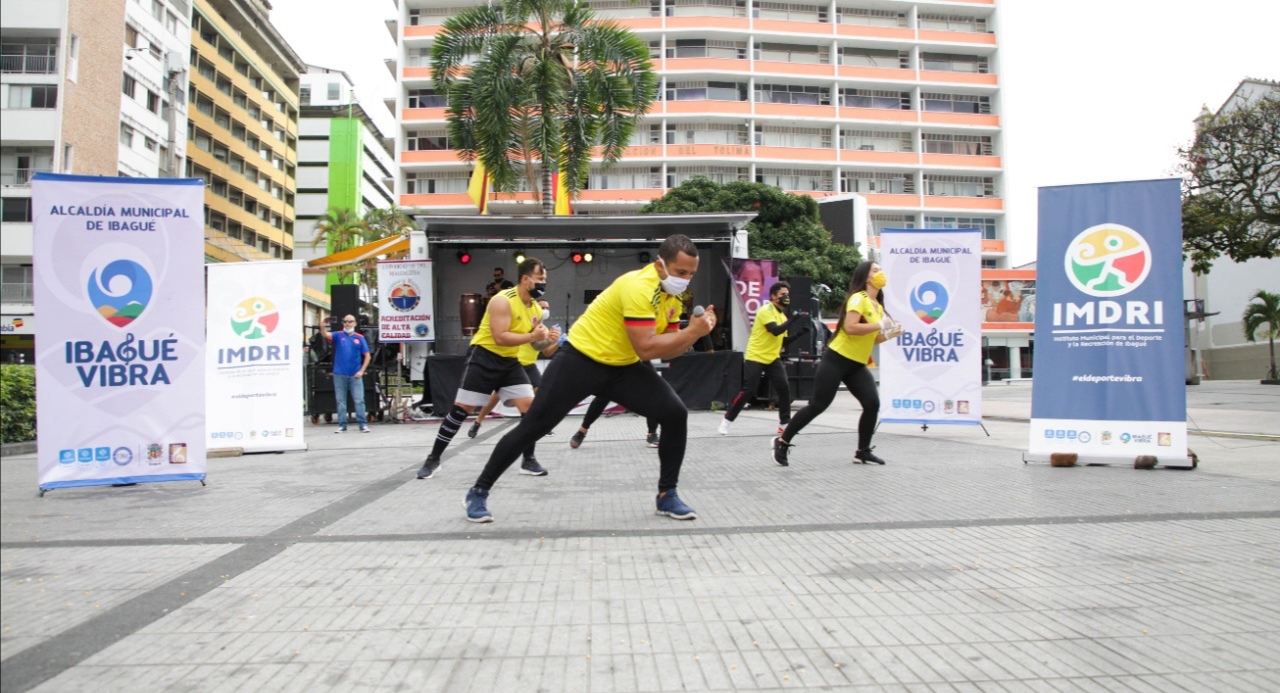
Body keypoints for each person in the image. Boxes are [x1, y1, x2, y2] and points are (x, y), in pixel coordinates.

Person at [463, 234, 717, 523]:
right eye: (681, 272)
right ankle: (478, 491)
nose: (686, 280)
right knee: (533, 426)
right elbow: (646, 347)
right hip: (580, 360)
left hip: (623, 366)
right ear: (660, 266)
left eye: (691, 274)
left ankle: (666, 495)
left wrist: (691, 334)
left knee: (674, 414)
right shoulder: (638, 286)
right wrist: (694, 332)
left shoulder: (674, 295)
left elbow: (669, 347)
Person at [416, 258, 560, 480]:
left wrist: (548, 340)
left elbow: (534, 344)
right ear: (526, 279)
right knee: (461, 409)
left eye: (545, 279)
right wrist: (534, 335)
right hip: (484, 357)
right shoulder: (502, 301)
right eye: (540, 279)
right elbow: (500, 337)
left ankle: (528, 460)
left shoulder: (535, 310)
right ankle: (433, 459)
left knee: (531, 409)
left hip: (510, 362)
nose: (543, 283)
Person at [772, 261, 901, 467]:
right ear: (866, 277)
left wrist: (888, 334)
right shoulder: (859, 299)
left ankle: (863, 451)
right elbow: (850, 328)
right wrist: (879, 325)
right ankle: (782, 441)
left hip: (856, 364)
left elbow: (870, 338)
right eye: (875, 271)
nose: (880, 273)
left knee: (872, 404)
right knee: (818, 405)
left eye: (880, 270)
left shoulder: (877, 306)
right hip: (837, 359)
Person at [718, 280, 808, 436]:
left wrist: (800, 333)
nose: (786, 297)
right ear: (773, 296)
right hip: (756, 355)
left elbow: (783, 341)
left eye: (787, 294)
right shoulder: (766, 310)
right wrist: (793, 319)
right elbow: (774, 331)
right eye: (782, 294)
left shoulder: (782, 316)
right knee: (748, 391)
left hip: (773, 357)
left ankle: (784, 424)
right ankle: (727, 420)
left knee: (784, 388)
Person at [468, 300, 559, 441]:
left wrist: (557, 342)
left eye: (547, 307)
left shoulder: (544, 329)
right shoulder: (524, 323)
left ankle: (539, 425)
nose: (545, 310)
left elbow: (546, 352)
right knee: (495, 396)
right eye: (542, 307)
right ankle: (477, 421)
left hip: (529, 365)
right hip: (515, 364)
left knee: (540, 392)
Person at [323, 314, 372, 433]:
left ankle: (363, 424)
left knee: (359, 400)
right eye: (345, 321)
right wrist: (322, 325)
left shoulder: (359, 338)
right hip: (340, 373)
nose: (347, 323)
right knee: (340, 400)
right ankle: (342, 425)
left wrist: (361, 371)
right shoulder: (338, 335)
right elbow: (325, 334)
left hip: (355, 374)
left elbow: (367, 356)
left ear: (355, 323)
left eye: (350, 321)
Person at [568, 397, 660, 449]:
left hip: (636, 365)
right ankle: (582, 430)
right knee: (603, 396)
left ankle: (652, 433)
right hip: (615, 365)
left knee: (653, 394)